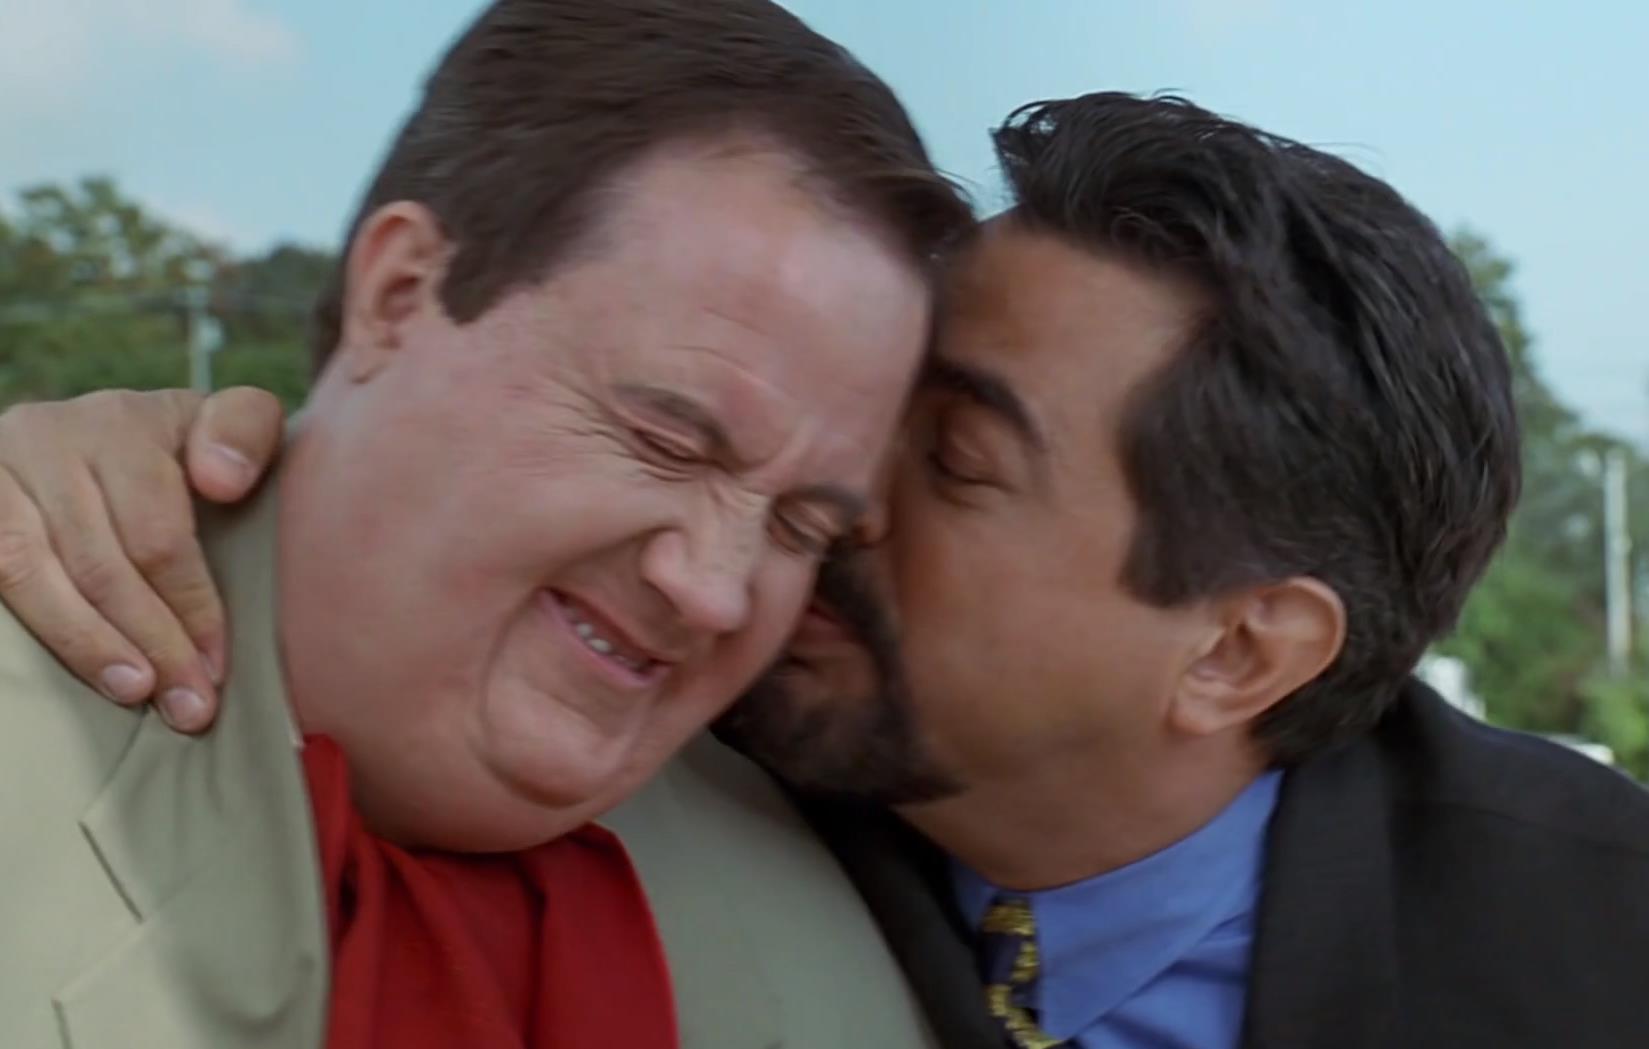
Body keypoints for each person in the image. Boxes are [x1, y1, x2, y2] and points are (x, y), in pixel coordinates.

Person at [12, 93, 1649, 1049]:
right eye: (869, 409)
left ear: (1237, 652)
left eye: (954, 462)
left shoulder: (1593, 943)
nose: (828, 500)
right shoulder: (658, 711)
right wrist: (130, 471)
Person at [0, 1, 970, 1047]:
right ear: (401, 292)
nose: (713, 588)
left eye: (799, 528)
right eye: (667, 440)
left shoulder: (848, 951)